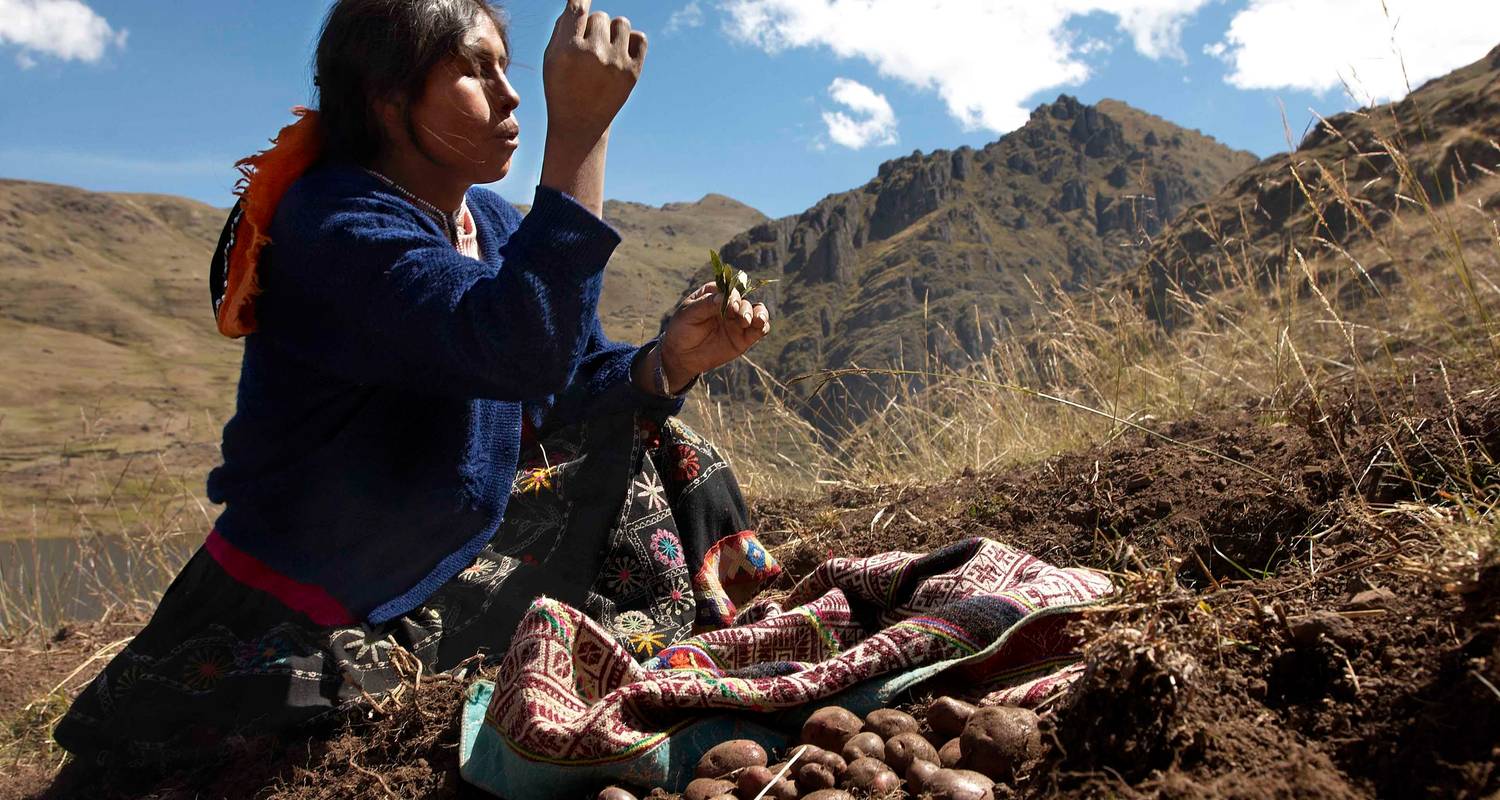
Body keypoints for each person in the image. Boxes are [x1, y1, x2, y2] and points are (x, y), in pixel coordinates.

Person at [52, 0, 778, 771]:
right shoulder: (336, 226)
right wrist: (582, 134)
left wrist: (667, 359)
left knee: (661, 439)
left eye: (507, 67)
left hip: (445, 536)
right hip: (329, 581)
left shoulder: (491, 225)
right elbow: (516, 348)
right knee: (313, 702)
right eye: (475, 70)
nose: (512, 94)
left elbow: (557, 384)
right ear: (386, 97)